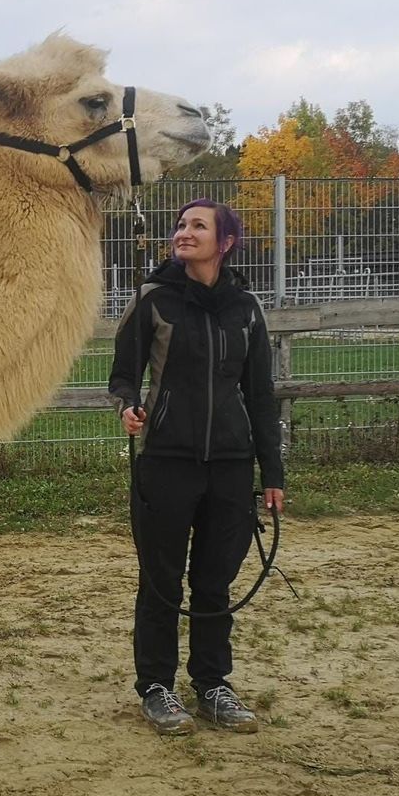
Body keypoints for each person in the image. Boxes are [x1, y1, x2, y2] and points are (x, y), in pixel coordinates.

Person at [109, 198, 285, 736]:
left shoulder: (247, 309)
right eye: (181, 224)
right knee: (160, 580)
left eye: (198, 226)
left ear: (224, 242)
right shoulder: (153, 300)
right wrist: (128, 407)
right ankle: (157, 687)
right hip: (166, 461)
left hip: (231, 465)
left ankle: (212, 685)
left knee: (214, 580)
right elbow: (122, 375)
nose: (184, 232)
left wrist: (272, 474)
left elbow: (260, 395)